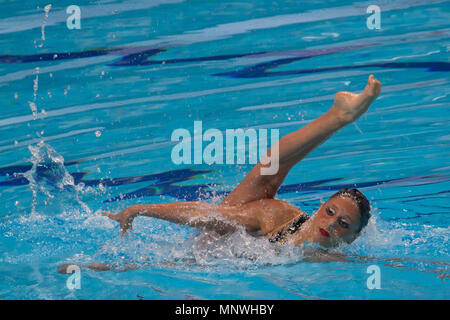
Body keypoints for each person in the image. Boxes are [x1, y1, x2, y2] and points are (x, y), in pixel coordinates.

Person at [103, 75, 382, 249]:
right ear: (321, 206)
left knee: (270, 170)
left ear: (354, 238)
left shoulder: (328, 260)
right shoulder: (278, 216)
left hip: (219, 268)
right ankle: (339, 116)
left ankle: (339, 116)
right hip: (206, 250)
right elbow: (207, 216)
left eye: (343, 224)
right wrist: (140, 209)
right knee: (270, 170)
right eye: (330, 212)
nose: (331, 224)